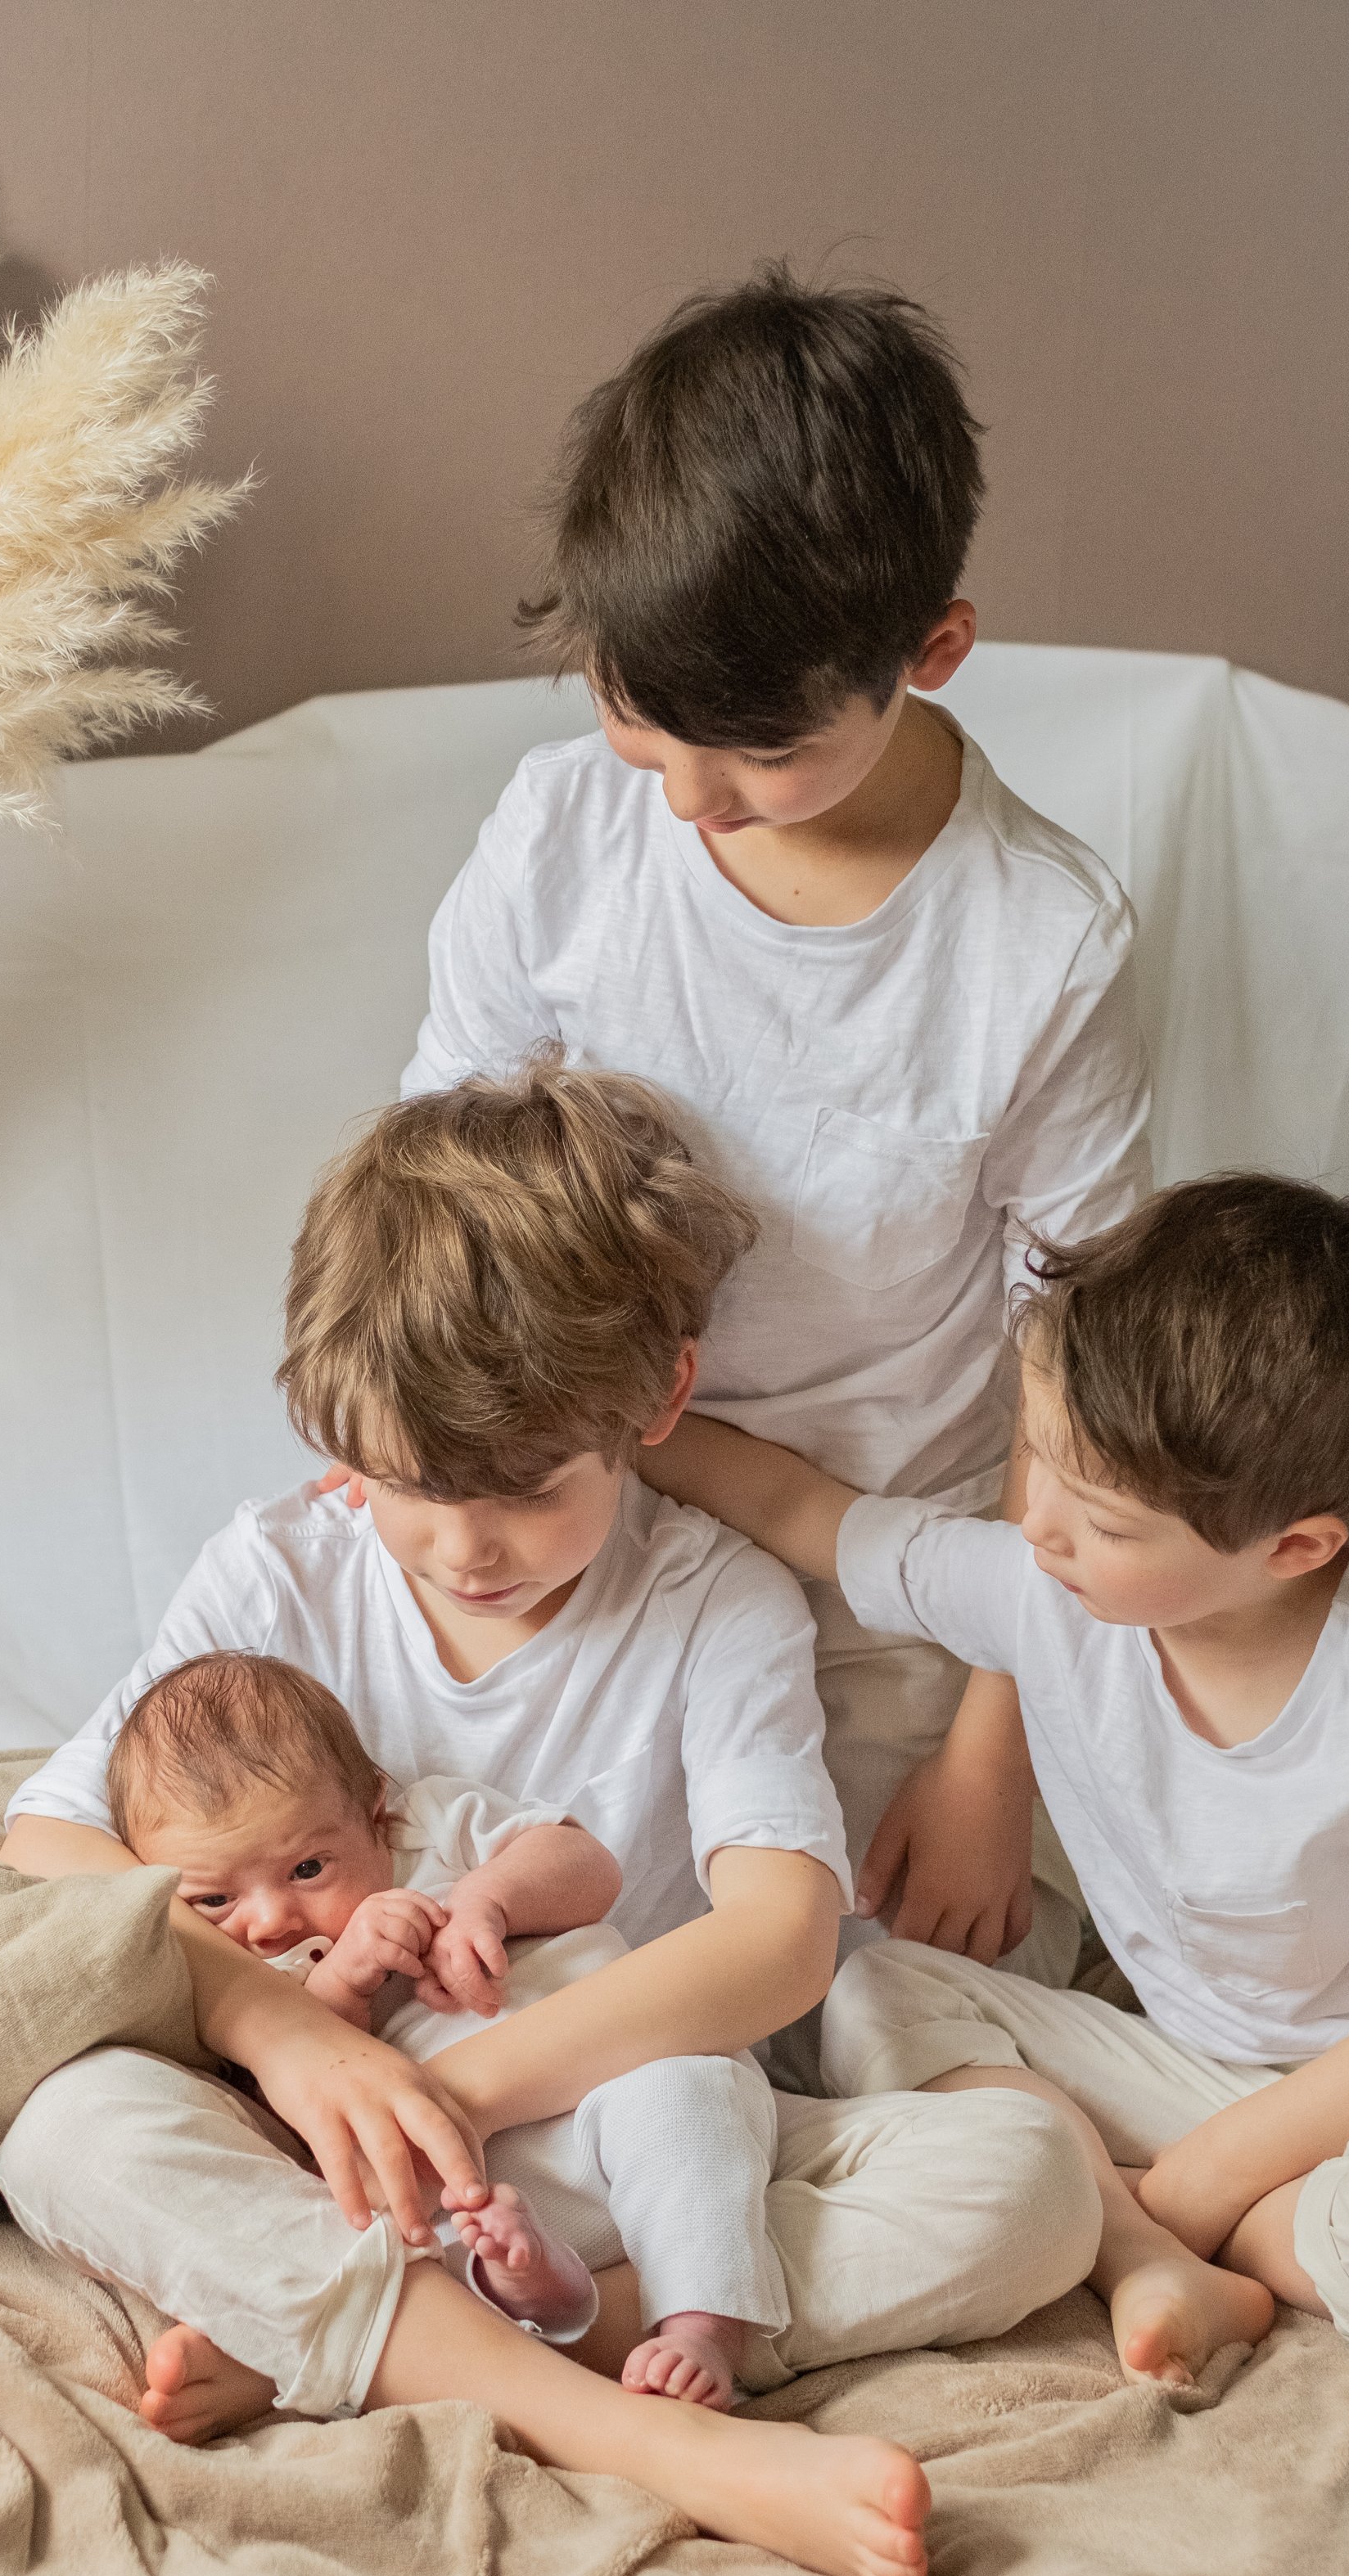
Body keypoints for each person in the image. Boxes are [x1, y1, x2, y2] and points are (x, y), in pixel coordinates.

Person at [0, 1065, 1102, 2576]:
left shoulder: (715, 1602)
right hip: (323, 2143)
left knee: (1026, 2178)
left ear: (652, 1407)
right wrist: (306, 2047)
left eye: (523, 1488)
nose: (464, 1546)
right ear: (336, 1442)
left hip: (611, 2143)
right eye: (406, 1485)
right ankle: (650, 2434)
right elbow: (47, 1846)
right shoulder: (282, 1576)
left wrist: (471, 2088)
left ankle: (370, 2335)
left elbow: (779, 1935)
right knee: (59, 2125)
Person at [401, 263, 1151, 2027]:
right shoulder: (563, 833)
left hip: (888, 1592)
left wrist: (996, 1756)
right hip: (581, 1526)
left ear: (931, 653)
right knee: (448, 1930)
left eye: (753, 755)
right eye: (631, 720)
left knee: (856, 2011)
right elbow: (438, 1194)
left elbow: (1083, 1369)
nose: (683, 800)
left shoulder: (1035, 943)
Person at [643, 1173, 1349, 2383]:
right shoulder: (1047, 1589)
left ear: (1296, 1547)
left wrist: (1214, 2175)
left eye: (1103, 1517)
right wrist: (618, 1422)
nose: (1043, 1525)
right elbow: (811, 1512)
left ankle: (1142, 2227)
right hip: (1190, 2068)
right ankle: (1152, 2254)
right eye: (1041, 1460)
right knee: (874, 1992)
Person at [102, 1647, 792, 2411]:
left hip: (616, 2093)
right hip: (469, 2181)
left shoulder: (435, 1826)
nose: (267, 1920)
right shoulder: (238, 1973)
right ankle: (510, 2290)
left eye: (307, 1870)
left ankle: (700, 2331)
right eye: (212, 1900)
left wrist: (488, 1900)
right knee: (391, 2225)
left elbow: (589, 1867)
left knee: (687, 2091)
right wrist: (342, 1982)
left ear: (375, 1810)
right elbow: (288, 2090)